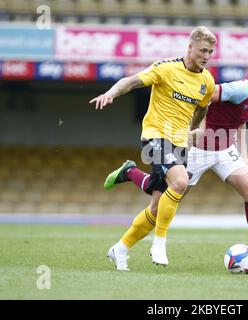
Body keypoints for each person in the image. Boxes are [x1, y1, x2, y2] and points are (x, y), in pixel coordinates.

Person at [105, 61, 248, 268]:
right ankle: (130, 172)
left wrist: (244, 155)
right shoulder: (240, 89)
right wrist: (195, 130)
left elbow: (240, 120)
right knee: (159, 204)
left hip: (225, 150)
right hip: (197, 150)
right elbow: (204, 97)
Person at [90, 26, 217, 271]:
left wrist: (193, 129)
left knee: (158, 208)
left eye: (210, 52)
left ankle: (120, 248)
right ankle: (159, 243)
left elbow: (202, 108)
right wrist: (110, 93)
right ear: (190, 47)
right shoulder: (166, 68)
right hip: (155, 136)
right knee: (180, 182)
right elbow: (131, 81)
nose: (206, 55)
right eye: (203, 50)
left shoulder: (207, 81)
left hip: (179, 142)